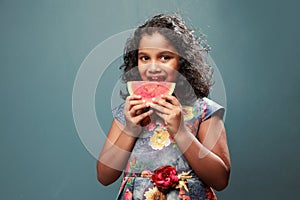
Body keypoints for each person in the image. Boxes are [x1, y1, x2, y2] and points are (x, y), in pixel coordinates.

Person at [97, 13, 231, 200]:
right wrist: (130, 129)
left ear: (183, 62)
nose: (153, 67)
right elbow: (104, 176)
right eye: (144, 58)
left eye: (164, 57)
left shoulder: (204, 111)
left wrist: (181, 132)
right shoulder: (128, 111)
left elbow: (220, 179)